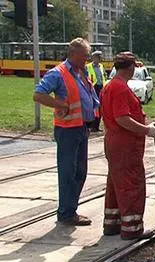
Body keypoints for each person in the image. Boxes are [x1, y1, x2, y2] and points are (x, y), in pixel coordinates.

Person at [33, 37, 98, 226]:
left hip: (82, 127)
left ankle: (70, 209)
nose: (86, 60)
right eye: (83, 57)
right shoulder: (58, 73)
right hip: (67, 129)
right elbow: (38, 94)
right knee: (68, 171)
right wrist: (59, 104)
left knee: (80, 171)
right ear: (72, 54)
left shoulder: (82, 72)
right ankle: (66, 213)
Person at [100, 51, 155, 240]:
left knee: (116, 183)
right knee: (131, 184)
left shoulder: (110, 86)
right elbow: (122, 118)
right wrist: (146, 130)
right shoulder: (119, 88)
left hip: (115, 142)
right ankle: (132, 228)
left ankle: (113, 223)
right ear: (131, 67)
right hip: (125, 144)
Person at [86, 50, 107, 132]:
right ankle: (92, 126)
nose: (99, 59)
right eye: (97, 57)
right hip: (93, 88)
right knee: (93, 106)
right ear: (93, 58)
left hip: (101, 88)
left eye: (99, 58)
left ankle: (97, 126)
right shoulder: (88, 67)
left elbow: (103, 76)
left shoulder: (101, 66)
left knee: (100, 107)